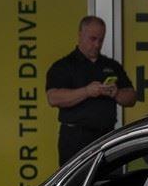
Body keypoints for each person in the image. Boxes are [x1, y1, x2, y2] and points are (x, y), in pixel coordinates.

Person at [45, 16, 138, 164]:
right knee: (77, 179)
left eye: (101, 40)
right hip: (75, 137)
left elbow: (132, 97)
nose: (97, 45)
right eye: (93, 39)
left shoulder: (112, 66)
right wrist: (87, 91)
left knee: (109, 177)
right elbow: (53, 98)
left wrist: (116, 93)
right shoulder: (64, 66)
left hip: (106, 136)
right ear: (80, 35)